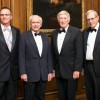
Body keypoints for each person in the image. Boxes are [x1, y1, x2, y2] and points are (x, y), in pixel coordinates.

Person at [19, 15, 53, 100]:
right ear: (30, 24)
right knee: (29, 97)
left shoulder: (45, 37)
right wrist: (23, 72)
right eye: (33, 22)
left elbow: (49, 56)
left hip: (43, 74)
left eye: (38, 22)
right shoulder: (24, 36)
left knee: (41, 97)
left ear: (41, 24)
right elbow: (21, 56)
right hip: (29, 74)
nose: (35, 24)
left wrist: (50, 71)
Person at [51, 10, 83, 100]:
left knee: (70, 96)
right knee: (61, 96)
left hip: (71, 71)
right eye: (60, 18)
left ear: (69, 20)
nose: (63, 20)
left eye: (65, 18)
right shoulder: (54, 33)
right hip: (58, 71)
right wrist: (52, 69)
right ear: (58, 20)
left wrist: (77, 69)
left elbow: (79, 52)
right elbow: (52, 53)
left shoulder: (76, 32)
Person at [0, 7, 20, 100]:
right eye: (2, 15)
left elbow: (18, 52)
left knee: (12, 97)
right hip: (0, 72)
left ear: (11, 17)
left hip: (13, 73)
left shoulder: (17, 31)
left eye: (6, 14)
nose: (4, 17)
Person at [83, 10, 100, 100]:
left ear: (97, 18)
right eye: (88, 19)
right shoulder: (85, 32)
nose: (90, 21)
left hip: (98, 66)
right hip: (87, 66)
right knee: (89, 92)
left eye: (92, 19)